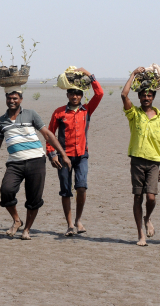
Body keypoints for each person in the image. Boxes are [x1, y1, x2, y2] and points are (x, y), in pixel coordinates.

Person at [0, 87, 71, 240]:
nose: (12, 101)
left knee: (34, 198)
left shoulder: (31, 114)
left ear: (21, 99)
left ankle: (27, 229)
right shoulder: (0, 121)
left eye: (15, 98)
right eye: (9, 98)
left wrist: (63, 155)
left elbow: (48, 135)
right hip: (15, 163)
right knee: (6, 191)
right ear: (6, 99)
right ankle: (17, 220)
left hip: (36, 160)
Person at [46, 67, 104, 236]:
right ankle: (70, 224)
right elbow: (50, 134)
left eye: (78, 93)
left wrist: (89, 75)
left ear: (82, 95)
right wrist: (52, 154)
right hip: (64, 157)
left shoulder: (87, 110)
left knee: (82, 188)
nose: (75, 96)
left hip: (82, 156)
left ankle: (78, 220)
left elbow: (99, 93)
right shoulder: (59, 113)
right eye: (72, 93)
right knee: (65, 191)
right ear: (67, 94)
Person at [121, 67, 160, 246]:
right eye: (143, 95)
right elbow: (124, 96)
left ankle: (148, 218)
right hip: (137, 161)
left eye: (149, 95)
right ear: (139, 97)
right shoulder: (134, 114)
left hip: (154, 162)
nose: (146, 98)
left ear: (153, 97)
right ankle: (141, 234)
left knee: (151, 197)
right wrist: (132, 74)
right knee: (138, 197)